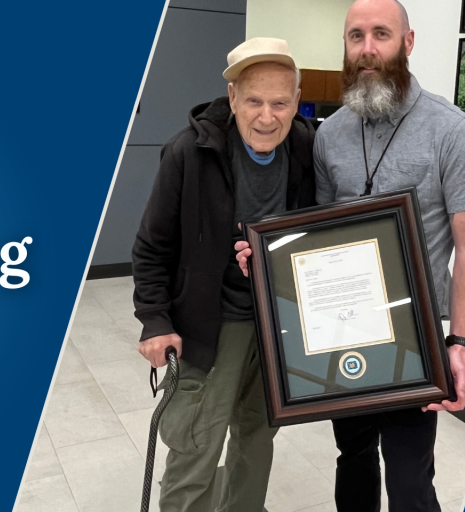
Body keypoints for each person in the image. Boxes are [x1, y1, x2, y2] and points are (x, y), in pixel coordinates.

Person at [236, 1, 465, 511]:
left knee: (408, 477)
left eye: (382, 34)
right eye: (356, 36)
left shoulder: (452, 130)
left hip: (416, 342)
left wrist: (459, 342)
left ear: (408, 42)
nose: (368, 48)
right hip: (343, 333)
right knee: (351, 458)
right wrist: (267, 257)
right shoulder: (329, 134)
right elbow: (318, 237)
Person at [132, 38, 317, 511]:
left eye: (280, 103)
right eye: (253, 100)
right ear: (232, 97)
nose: (266, 116)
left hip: (275, 325)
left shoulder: (305, 148)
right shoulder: (189, 153)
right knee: (196, 441)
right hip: (210, 325)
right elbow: (153, 244)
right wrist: (155, 319)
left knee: (257, 439)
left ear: (296, 102)